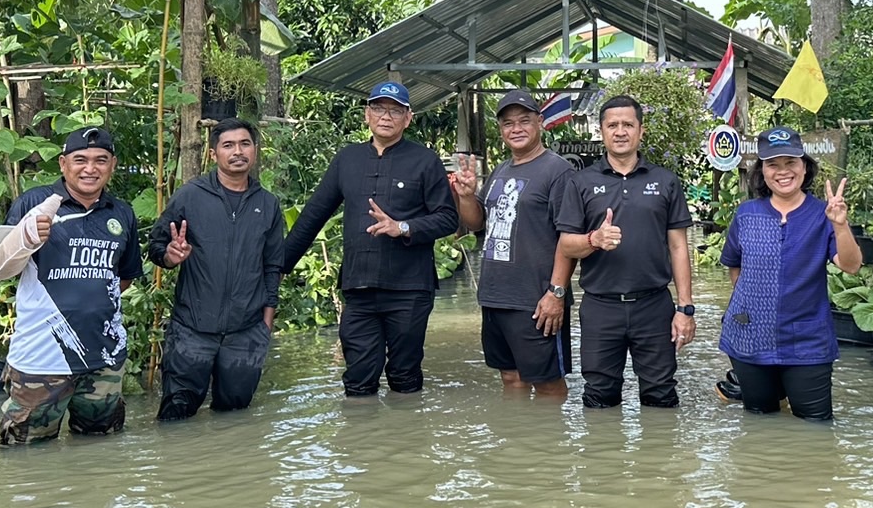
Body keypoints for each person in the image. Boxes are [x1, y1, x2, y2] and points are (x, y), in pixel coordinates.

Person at [281, 81, 460, 396]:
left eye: (395, 110)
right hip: (359, 287)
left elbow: (447, 218)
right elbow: (312, 217)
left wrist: (402, 227)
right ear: (367, 114)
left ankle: (407, 426)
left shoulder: (425, 160)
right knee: (358, 379)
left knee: (404, 376)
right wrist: (277, 267)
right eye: (378, 108)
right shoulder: (347, 159)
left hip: (409, 289)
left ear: (408, 118)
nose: (386, 116)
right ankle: (361, 427)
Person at [0, 126, 140, 445]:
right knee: (25, 452)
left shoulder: (122, 213)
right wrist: (25, 237)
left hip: (105, 360)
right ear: (63, 163)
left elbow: (122, 278)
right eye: (80, 159)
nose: (90, 168)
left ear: (112, 165)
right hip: (41, 360)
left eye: (101, 160)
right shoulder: (34, 202)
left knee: (101, 448)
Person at [556, 95, 695, 409]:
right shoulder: (581, 183)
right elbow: (566, 245)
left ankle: (660, 443)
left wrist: (685, 309)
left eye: (628, 125)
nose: (620, 131)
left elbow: (678, 247)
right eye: (613, 125)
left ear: (640, 131)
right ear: (602, 131)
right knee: (599, 397)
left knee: (661, 395)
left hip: (654, 305)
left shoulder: (665, 181)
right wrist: (594, 239)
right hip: (601, 307)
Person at [717, 127, 864, 420]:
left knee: (815, 424)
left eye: (790, 162)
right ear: (762, 171)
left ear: (804, 167)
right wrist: (753, 306)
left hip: (808, 341)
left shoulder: (822, 214)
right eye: (773, 164)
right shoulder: (747, 214)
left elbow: (851, 265)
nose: (783, 171)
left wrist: (840, 224)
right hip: (750, 339)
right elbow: (735, 266)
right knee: (759, 422)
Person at [148, 118, 286, 419]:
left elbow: (273, 266)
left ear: (255, 150)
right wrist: (171, 255)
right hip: (191, 329)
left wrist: (265, 325)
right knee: (176, 416)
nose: (238, 152)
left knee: (235, 418)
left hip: (246, 333)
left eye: (245, 144)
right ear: (213, 154)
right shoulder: (190, 196)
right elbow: (156, 246)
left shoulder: (268, 204)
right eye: (228, 145)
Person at [451, 89, 577, 398]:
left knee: (548, 384)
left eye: (524, 121)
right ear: (501, 130)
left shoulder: (558, 171)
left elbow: (569, 238)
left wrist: (556, 293)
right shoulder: (501, 170)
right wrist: (466, 196)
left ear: (540, 122)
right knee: (511, 378)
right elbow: (478, 222)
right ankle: (516, 431)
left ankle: (551, 433)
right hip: (495, 295)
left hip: (536, 299)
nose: (516, 129)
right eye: (508, 123)